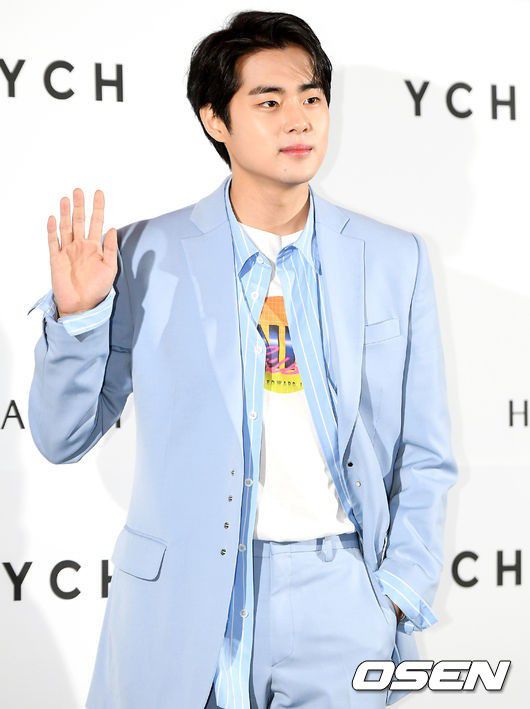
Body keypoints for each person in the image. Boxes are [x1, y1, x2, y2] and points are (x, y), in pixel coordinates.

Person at [27, 10, 458, 709]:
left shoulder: (393, 257)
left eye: (312, 97)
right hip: (184, 601)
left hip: (341, 597)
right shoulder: (143, 254)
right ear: (215, 119)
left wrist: (398, 592)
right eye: (269, 101)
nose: (299, 119)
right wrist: (79, 319)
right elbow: (60, 436)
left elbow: (427, 452)